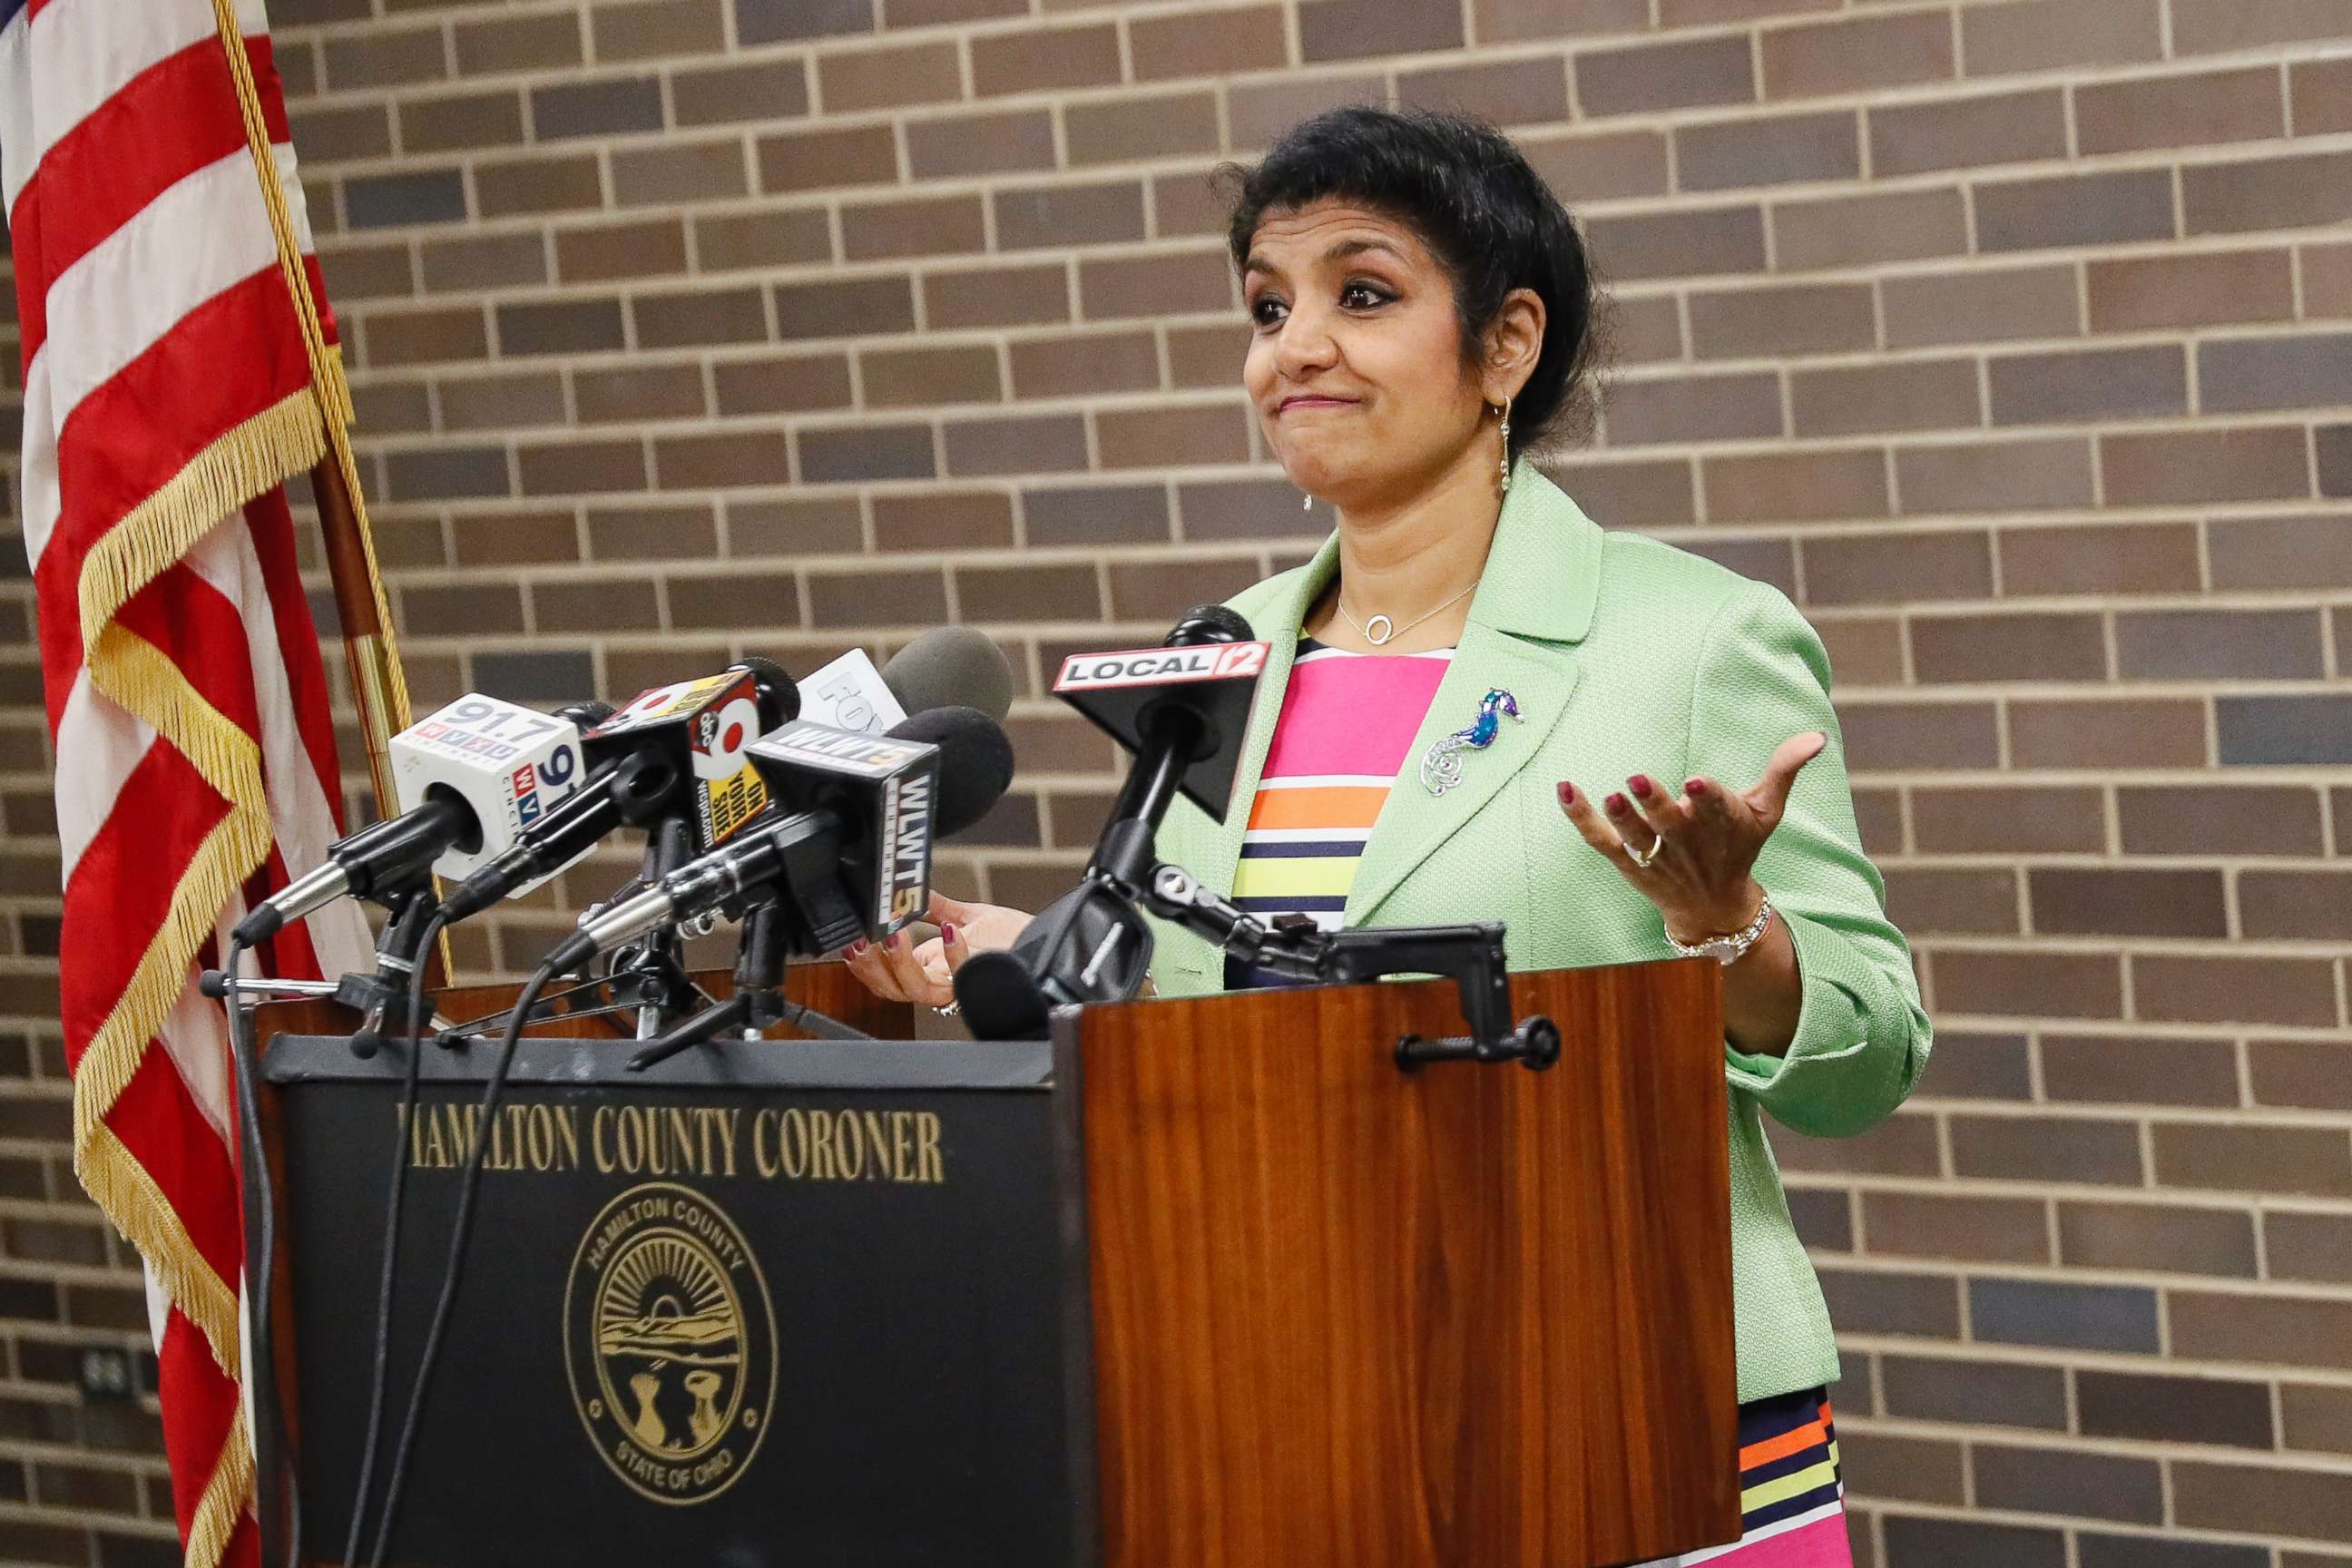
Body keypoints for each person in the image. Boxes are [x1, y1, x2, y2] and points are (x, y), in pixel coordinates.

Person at [846, 105, 1929, 1565]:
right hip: (1298, 1413)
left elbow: (1870, 1060)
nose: (1295, 347)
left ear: (1506, 346)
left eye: (1363, 295)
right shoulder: (1221, 653)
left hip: (1630, 1424)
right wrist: (1017, 954)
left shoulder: (1691, 641)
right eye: (1267, 306)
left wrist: (1721, 928)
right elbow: (1222, 1013)